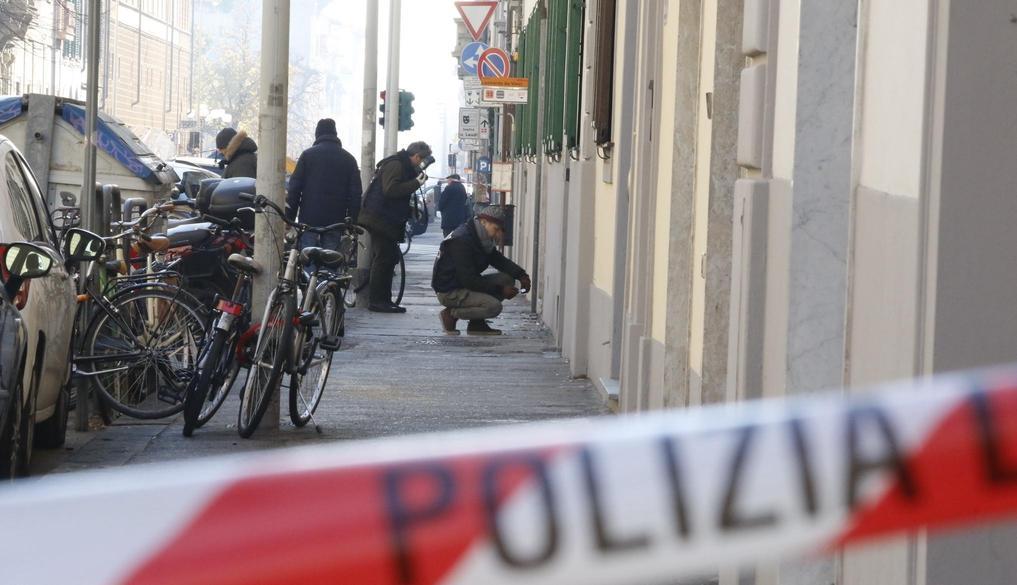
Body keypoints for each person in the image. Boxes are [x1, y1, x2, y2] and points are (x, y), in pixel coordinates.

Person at [431, 206, 530, 335]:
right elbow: (470, 280)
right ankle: (451, 314)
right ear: (483, 222)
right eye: (496, 229)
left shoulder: (479, 238)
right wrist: (500, 290)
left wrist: (521, 275)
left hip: (462, 283)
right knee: (493, 307)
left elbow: (498, 260)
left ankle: (476, 324)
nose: (497, 234)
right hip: (449, 291)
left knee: (506, 279)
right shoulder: (462, 240)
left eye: (500, 230)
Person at [358, 141, 431, 313]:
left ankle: (384, 299)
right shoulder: (396, 165)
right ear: (416, 156)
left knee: (388, 258)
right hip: (379, 218)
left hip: (385, 217)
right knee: (384, 258)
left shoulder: (402, 165)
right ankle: (377, 301)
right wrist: (416, 183)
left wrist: (411, 209)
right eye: (422, 161)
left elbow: (395, 195)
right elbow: (390, 190)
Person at [286, 119, 362, 271]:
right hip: (335, 221)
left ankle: (310, 291)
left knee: (308, 260)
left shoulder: (307, 156)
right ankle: (327, 291)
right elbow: (355, 194)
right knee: (330, 261)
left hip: (309, 220)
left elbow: (294, 188)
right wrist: (352, 222)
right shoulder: (349, 159)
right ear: (335, 134)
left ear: (317, 134)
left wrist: (289, 218)